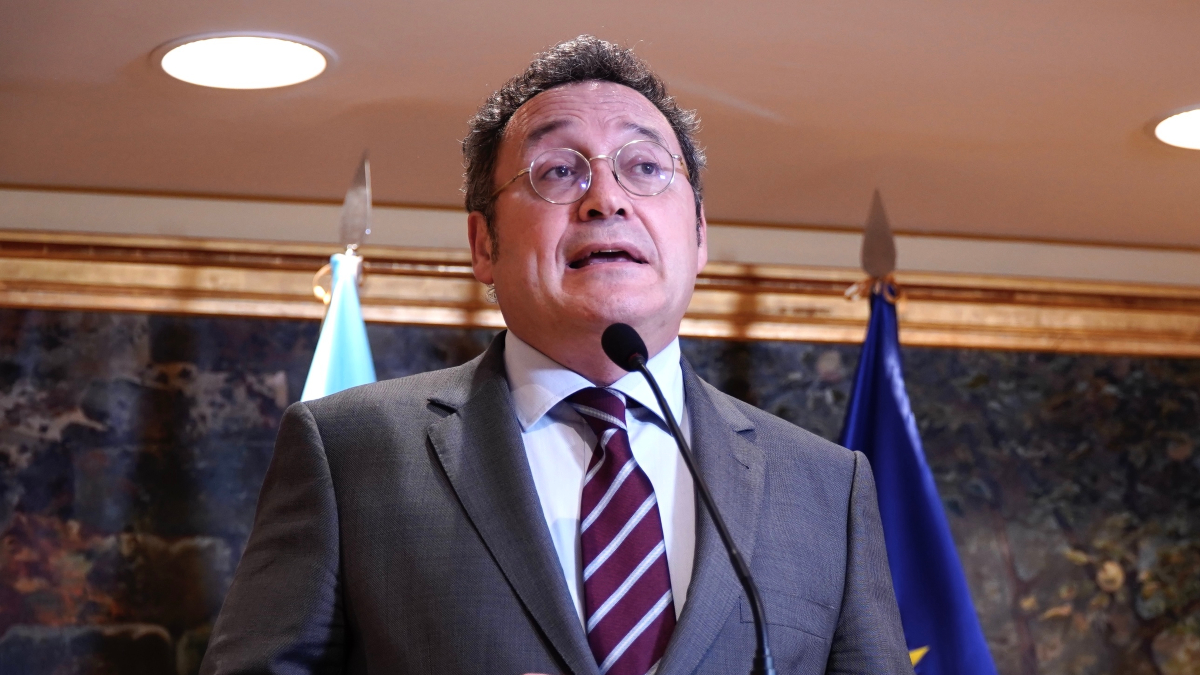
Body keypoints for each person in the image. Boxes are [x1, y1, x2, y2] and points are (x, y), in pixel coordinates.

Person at [201, 35, 913, 675]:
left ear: (699, 234)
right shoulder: (350, 452)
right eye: (558, 171)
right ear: (484, 243)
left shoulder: (825, 486)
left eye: (644, 166)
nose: (606, 199)